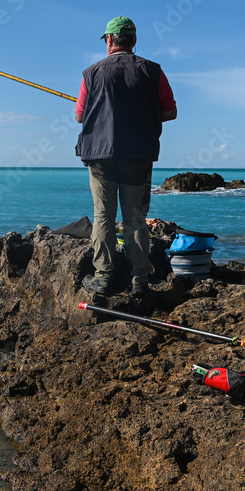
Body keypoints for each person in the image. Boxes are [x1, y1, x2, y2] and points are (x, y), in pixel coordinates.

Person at [75, 16, 177, 296]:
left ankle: (104, 277)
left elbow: (79, 115)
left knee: (103, 217)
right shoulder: (153, 71)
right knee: (135, 218)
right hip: (137, 155)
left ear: (109, 40)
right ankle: (140, 280)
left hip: (99, 157)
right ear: (133, 41)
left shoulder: (91, 73)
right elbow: (170, 112)